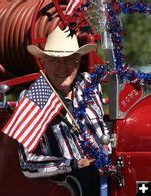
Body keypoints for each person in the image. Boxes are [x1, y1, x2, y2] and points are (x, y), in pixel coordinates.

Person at [17, 26, 110, 196]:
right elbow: (27, 163)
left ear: (78, 62)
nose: (62, 67)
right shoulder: (34, 97)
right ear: (43, 62)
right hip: (69, 187)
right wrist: (73, 164)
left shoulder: (89, 83)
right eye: (55, 60)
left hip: (108, 179)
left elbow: (104, 130)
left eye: (69, 60)